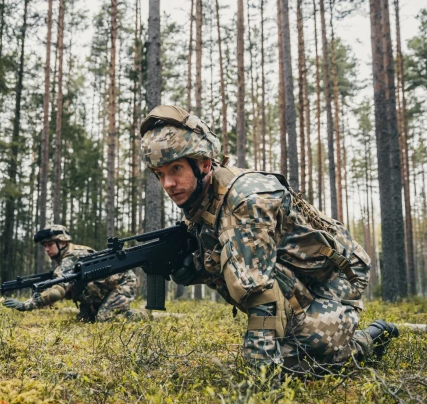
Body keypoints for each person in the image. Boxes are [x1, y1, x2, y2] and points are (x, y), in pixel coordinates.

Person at [140, 105, 398, 371]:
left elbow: (258, 290)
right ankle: (307, 332)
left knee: (297, 364)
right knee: (287, 348)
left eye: (176, 169)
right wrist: (194, 269)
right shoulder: (200, 202)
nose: (168, 184)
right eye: (160, 174)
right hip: (293, 275)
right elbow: (221, 260)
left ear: (203, 163)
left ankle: (366, 340)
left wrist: (261, 374)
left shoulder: (246, 201)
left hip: (335, 277)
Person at [3, 224, 146, 322]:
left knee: (104, 319)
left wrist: (27, 305)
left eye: (50, 244)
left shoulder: (73, 256)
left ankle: (144, 315)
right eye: (44, 245)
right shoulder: (65, 259)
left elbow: (57, 290)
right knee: (85, 320)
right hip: (102, 289)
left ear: (63, 243)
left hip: (122, 283)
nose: (46, 249)